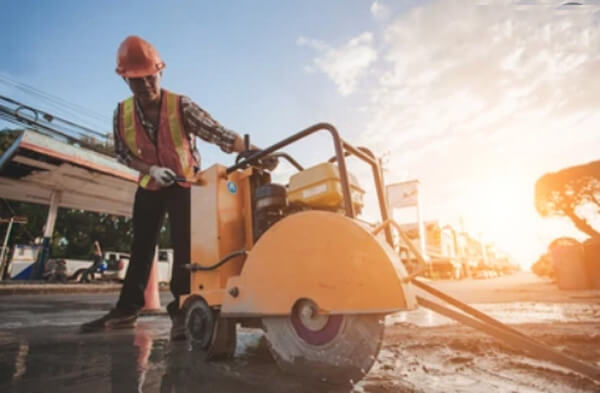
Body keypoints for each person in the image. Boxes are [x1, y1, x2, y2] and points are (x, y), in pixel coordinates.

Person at [81, 36, 275, 338]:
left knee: (184, 246)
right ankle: (127, 309)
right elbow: (122, 153)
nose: (145, 85)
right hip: (150, 184)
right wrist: (151, 170)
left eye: (150, 77)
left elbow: (219, 133)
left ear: (160, 71)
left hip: (184, 185)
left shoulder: (180, 105)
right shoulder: (122, 113)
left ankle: (182, 309)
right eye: (136, 81)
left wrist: (256, 151)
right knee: (142, 246)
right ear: (125, 80)